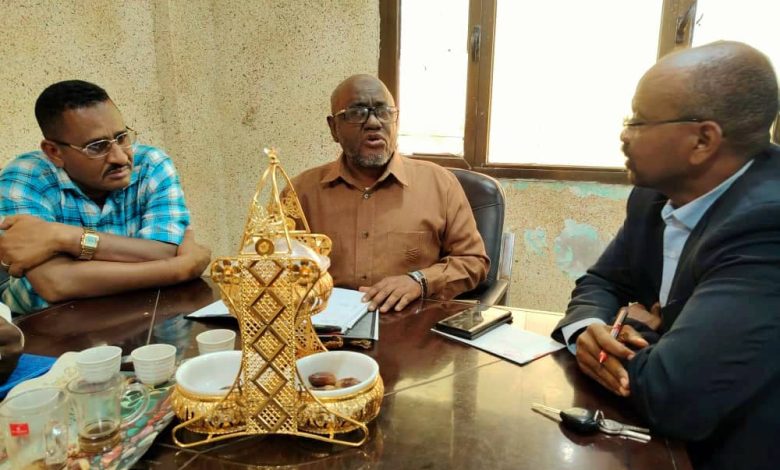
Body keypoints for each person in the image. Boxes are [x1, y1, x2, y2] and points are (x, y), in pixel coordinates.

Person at [551, 42, 780, 470]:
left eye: (637, 121)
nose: (623, 135)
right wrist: (588, 330)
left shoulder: (766, 223)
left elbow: (676, 395)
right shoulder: (652, 197)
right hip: (649, 439)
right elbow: (601, 282)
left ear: (702, 140)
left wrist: (636, 332)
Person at [0, 80, 211, 314]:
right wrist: (179, 270)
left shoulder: (151, 165)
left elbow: (165, 251)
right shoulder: (25, 178)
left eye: (122, 137)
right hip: (47, 324)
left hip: (145, 313)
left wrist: (64, 237)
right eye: (97, 146)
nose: (120, 158)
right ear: (54, 152)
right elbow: (56, 284)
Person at [289, 74, 488, 313]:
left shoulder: (440, 184)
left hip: (412, 325)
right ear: (334, 128)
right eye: (357, 112)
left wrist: (420, 281)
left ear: (396, 121)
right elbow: (273, 266)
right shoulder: (301, 192)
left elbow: (473, 262)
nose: (373, 123)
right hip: (327, 326)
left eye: (384, 112)